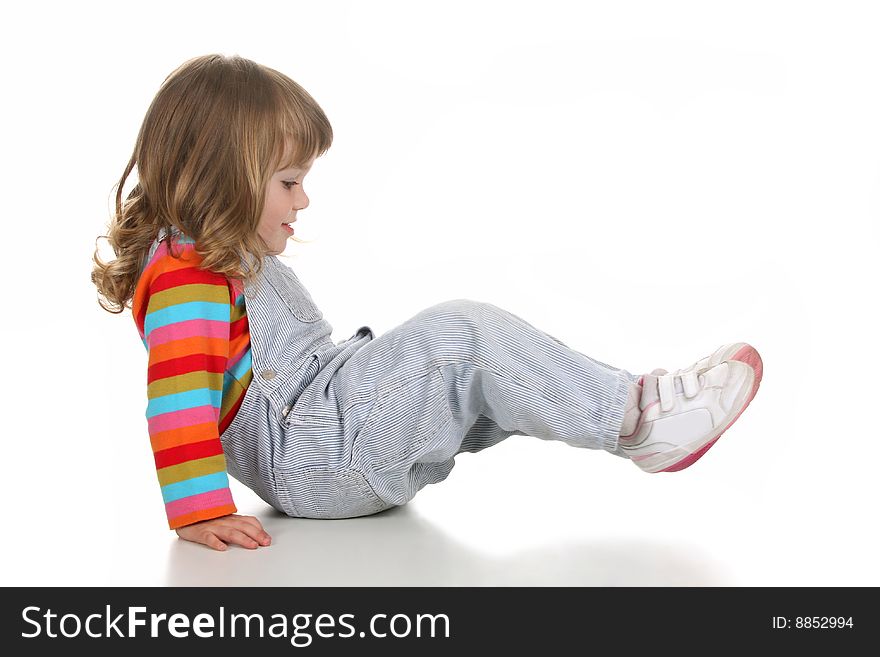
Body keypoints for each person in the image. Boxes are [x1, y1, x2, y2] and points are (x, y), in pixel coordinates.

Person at [91, 53, 763, 552]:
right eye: (290, 181)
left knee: (478, 363)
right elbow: (176, 397)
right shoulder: (187, 280)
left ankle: (631, 410)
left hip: (326, 435)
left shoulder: (211, 263)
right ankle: (640, 420)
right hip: (316, 454)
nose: (303, 201)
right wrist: (196, 508)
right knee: (461, 338)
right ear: (221, 177)